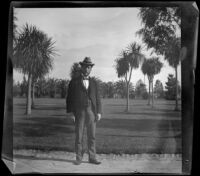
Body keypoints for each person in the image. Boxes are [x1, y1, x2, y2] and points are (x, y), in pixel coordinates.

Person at [66, 57, 102, 165]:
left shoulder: (94, 82)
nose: (87, 69)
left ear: (91, 69)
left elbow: (98, 98)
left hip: (91, 111)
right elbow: (69, 98)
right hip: (79, 111)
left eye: (89, 67)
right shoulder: (74, 82)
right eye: (85, 66)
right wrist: (71, 113)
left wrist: (99, 112)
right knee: (79, 135)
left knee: (92, 135)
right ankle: (79, 158)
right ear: (82, 67)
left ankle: (92, 157)